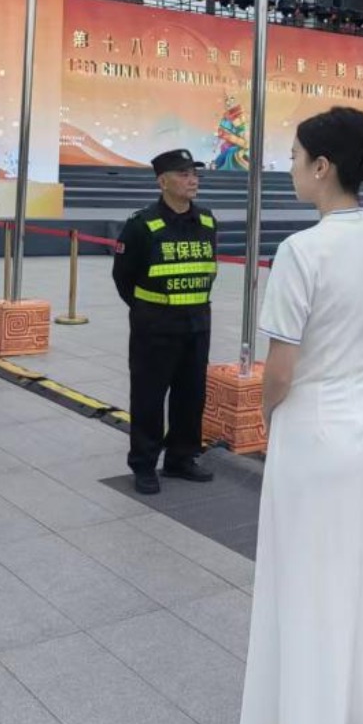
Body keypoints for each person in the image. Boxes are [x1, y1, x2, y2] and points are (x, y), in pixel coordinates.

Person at [222, 107, 363, 724]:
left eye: (297, 156)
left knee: (304, 602)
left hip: (310, 436)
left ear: (323, 166)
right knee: (361, 600)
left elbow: (279, 372)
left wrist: (274, 418)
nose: (292, 167)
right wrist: (348, 387)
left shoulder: (301, 251)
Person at [112, 148, 218, 495]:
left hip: (197, 325)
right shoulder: (142, 225)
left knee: (191, 395)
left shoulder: (207, 221)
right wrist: (148, 310)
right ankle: (144, 464)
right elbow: (123, 278)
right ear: (163, 182)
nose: (193, 180)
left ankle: (181, 458)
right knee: (149, 397)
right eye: (184, 174)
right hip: (155, 327)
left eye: (194, 174)